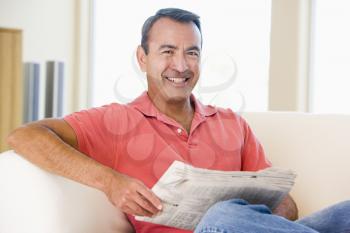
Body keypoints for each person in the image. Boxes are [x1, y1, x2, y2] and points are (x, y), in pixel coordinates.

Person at [7, 8, 350, 233]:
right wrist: (111, 182)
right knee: (220, 217)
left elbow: (286, 207)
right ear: (142, 58)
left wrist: (267, 216)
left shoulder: (232, 123)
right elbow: (24, 136)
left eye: (192, 52)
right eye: (167, 51)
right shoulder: (116, 120)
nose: (181, 66)